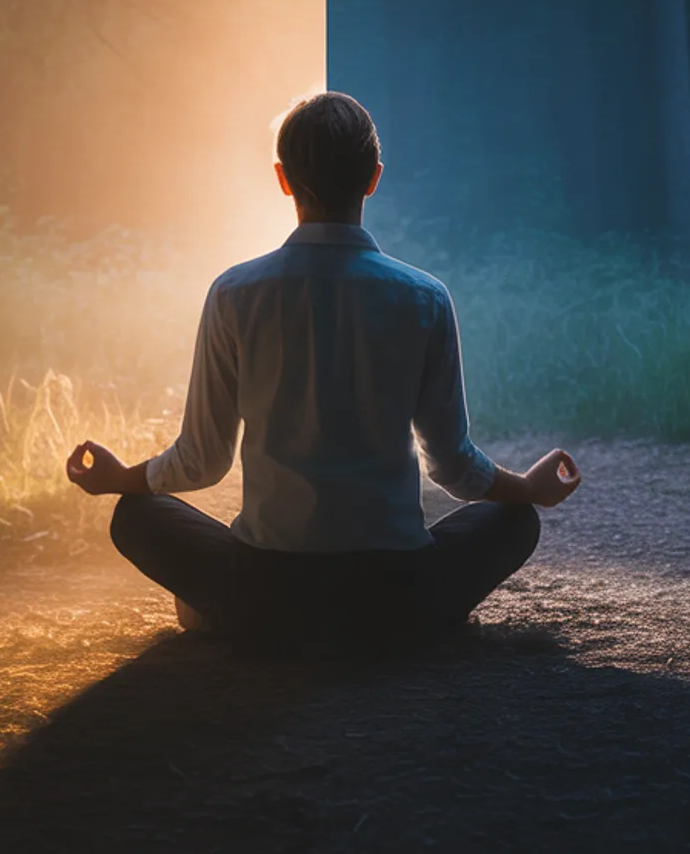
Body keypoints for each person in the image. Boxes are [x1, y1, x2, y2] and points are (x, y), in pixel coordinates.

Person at [65, 91, 581, 654]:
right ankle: (414, 621)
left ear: (284, 179)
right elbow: (453, 468)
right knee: (515, 521)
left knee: (136, 514)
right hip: (396, 589)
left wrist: (121, 479)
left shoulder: (235, 293)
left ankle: (231, 612)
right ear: (373, 179)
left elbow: (201, 462)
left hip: (266, 589)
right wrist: (526, 489)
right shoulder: (424, 298)